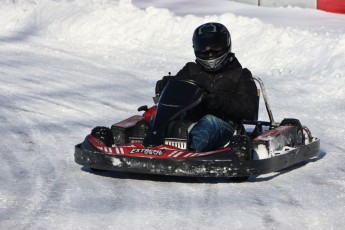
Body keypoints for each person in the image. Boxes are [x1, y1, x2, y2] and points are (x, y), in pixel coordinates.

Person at [155, 22, 258, 152]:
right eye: (204, 48)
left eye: (215, 47)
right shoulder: (190, 70)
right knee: (157, 115)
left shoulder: (241, 74)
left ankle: (189, 149)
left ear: (226, 45)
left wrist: (224, 102)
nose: (209, 52)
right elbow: (175, 89)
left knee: (209, 122)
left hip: (225, 127)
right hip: (188, 123)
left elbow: (250, 110)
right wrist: (166, 84)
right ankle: (149, 142)